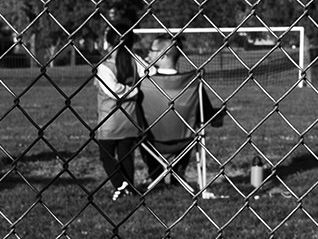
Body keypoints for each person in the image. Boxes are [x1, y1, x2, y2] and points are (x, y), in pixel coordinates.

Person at [138, 35, 224, 194]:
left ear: (163, 54)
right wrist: (219, 114)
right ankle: (178, 173)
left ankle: (155, 174)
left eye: (151, 50)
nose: (147, 54)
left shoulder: (144, 82)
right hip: (184, 141)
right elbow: (206, 115)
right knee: (192, 124)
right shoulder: (191, 82)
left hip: (150, 140)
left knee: (140, 127)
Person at [94, 29, 146, 200]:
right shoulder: (136, 61)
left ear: (109, 43)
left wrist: (131, 91)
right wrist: (136, 89)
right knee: (126, 157)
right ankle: (128, 187)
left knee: (106, 155)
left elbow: (113, 90)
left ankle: (120, 182)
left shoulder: (105, 66)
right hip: (131, 118)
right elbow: (150, 73)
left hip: (110, 119)